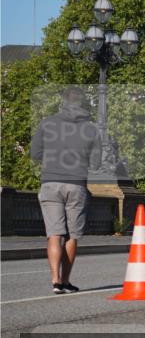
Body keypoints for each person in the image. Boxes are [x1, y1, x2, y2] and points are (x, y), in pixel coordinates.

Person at [30, 87, 101, 294]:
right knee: (72, 235)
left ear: (62, 101)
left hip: (50, 182)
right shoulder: (91, 129)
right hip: (76, 184)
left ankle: (55, 280)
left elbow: (35, 153)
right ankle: (66, 280)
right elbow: (96, 164)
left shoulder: (47, 123)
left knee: (54, 234)